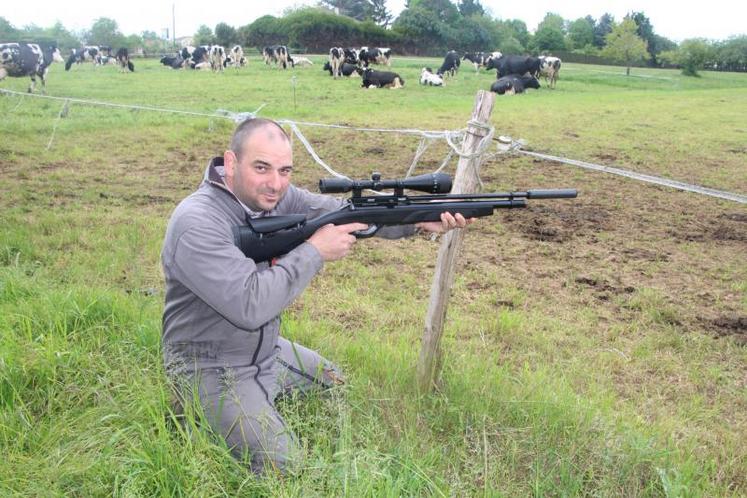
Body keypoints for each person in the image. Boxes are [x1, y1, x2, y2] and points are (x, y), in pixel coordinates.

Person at [161, 117, 471, 475]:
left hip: (264, 351)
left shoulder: (275, 197)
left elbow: (344, 214)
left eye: (285, 170)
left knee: (332, 381)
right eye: (262, 168)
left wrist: (416, 220)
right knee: (288, 470)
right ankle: (192, 411)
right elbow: (250, 305)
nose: (275, 184)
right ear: (230, 163)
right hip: (209, 363)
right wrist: (314, 252)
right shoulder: (197, 222)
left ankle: (249, 408)